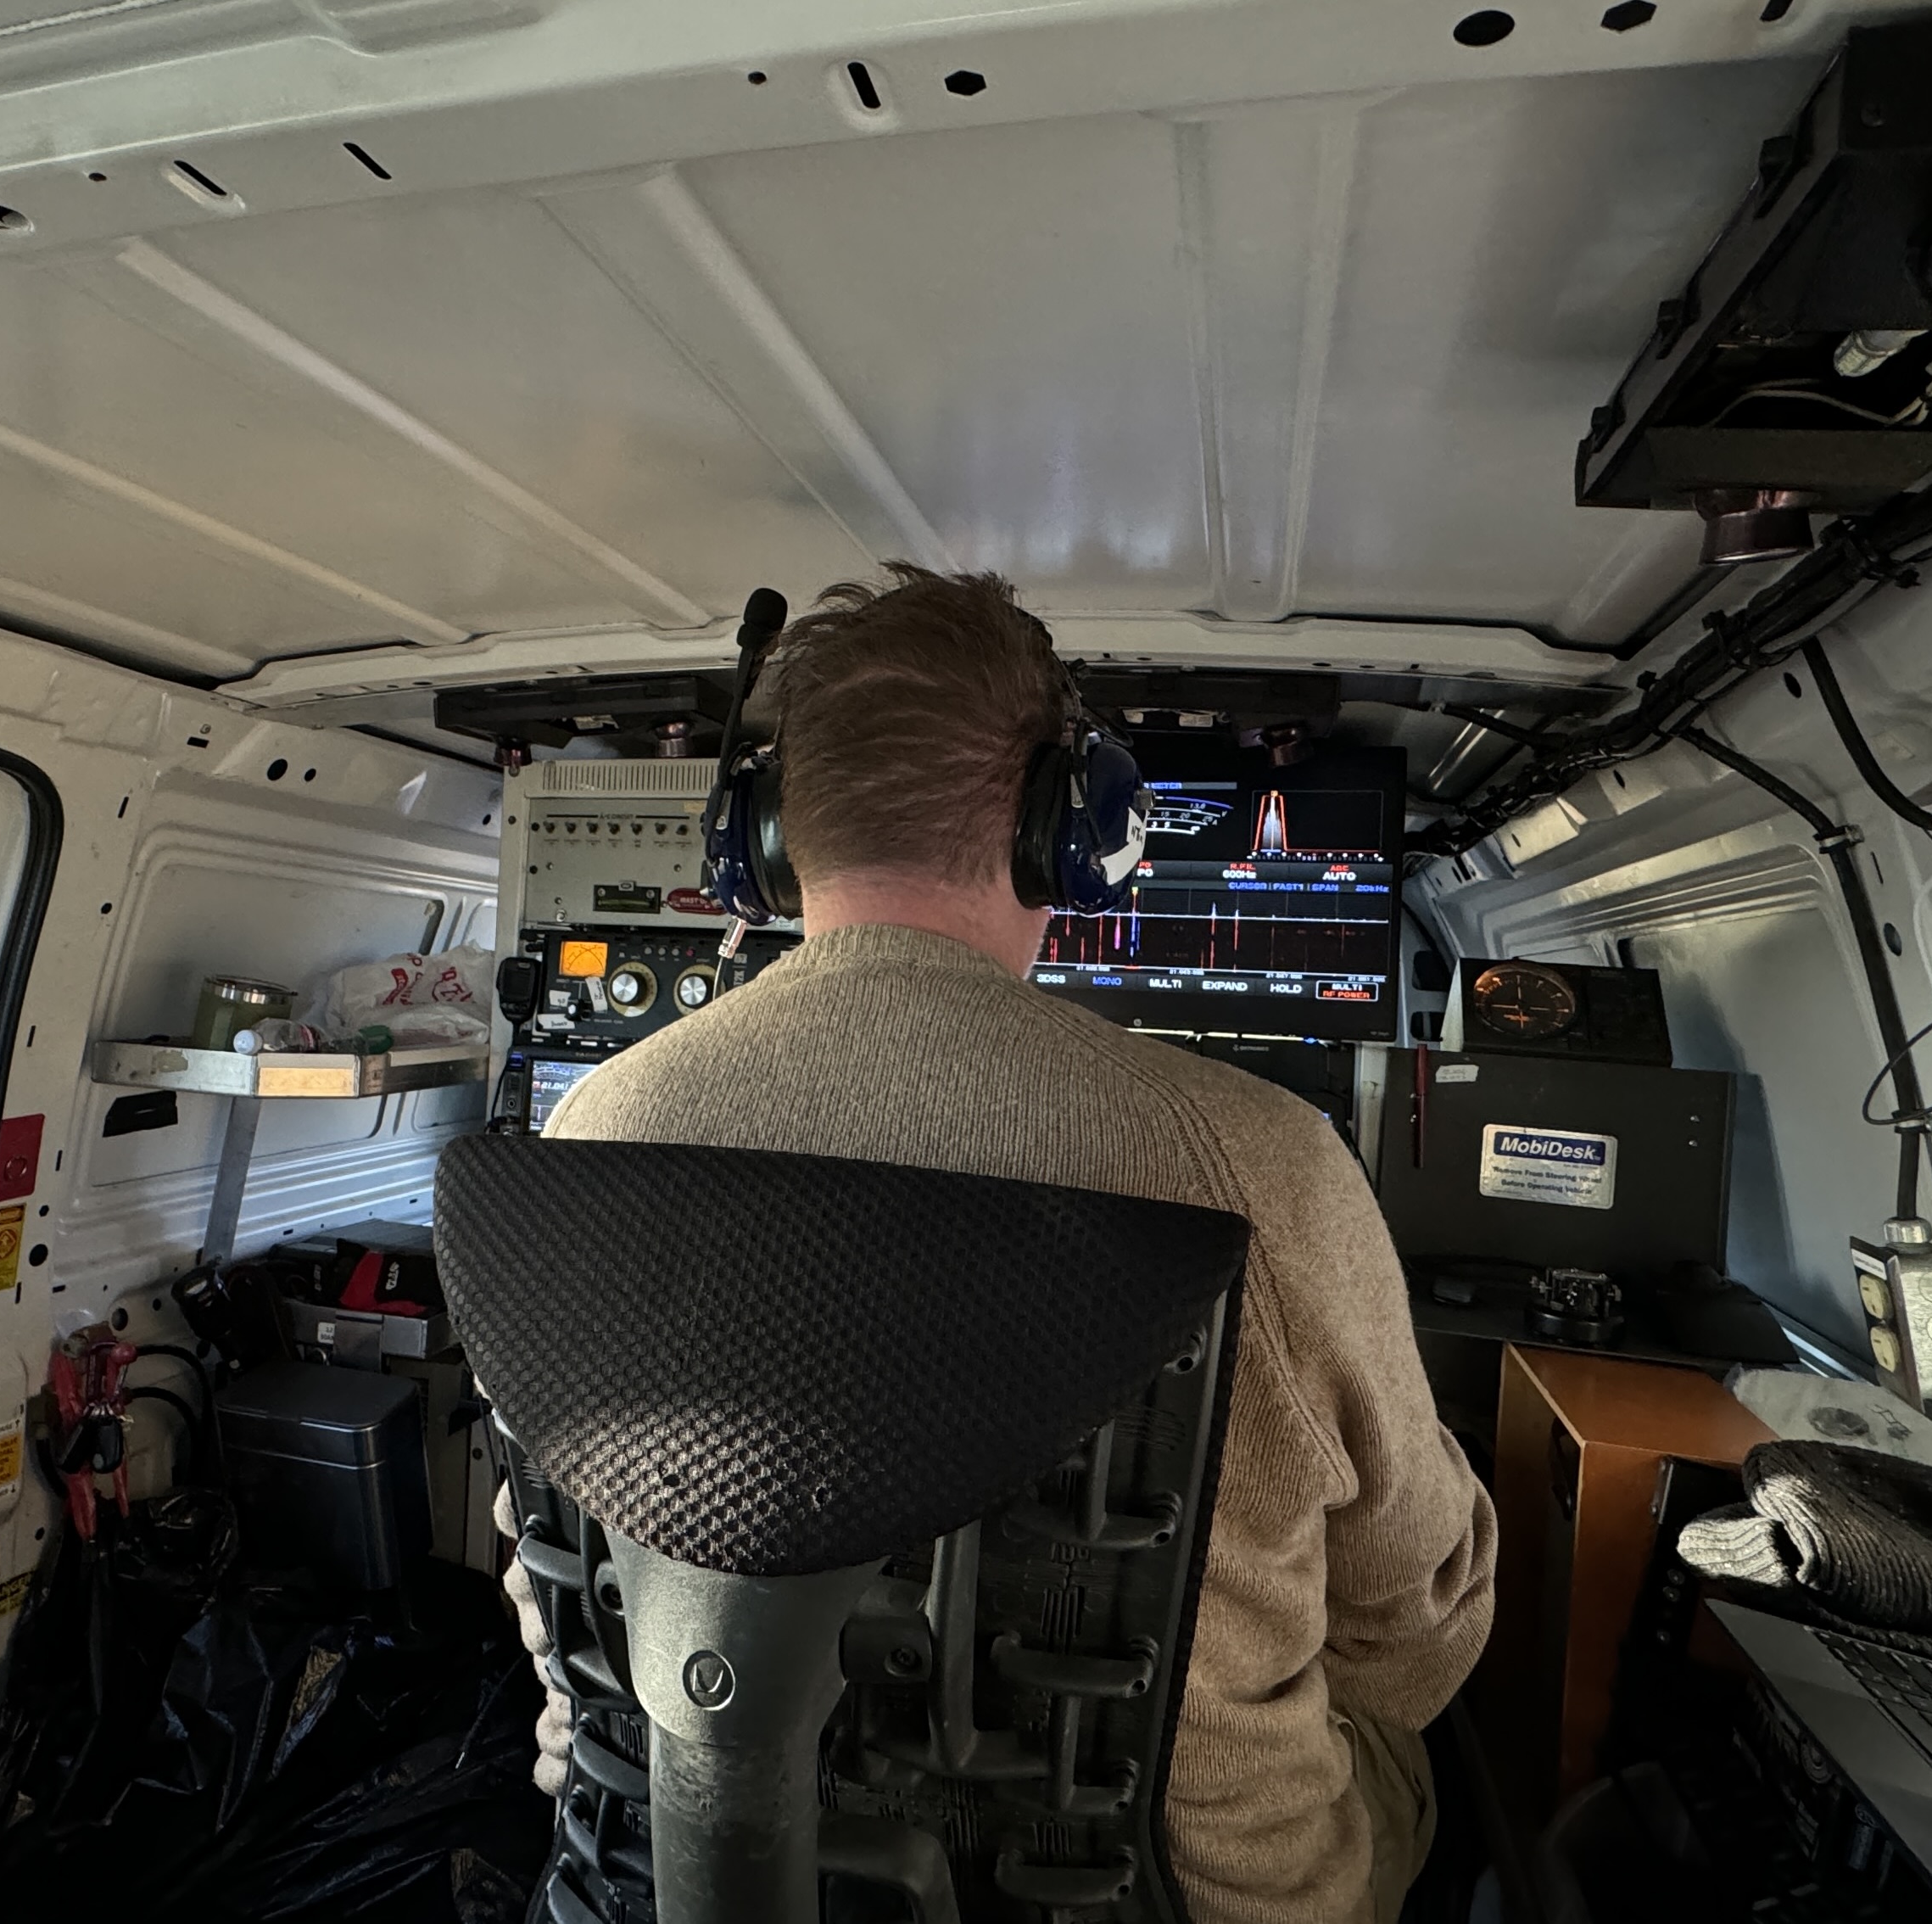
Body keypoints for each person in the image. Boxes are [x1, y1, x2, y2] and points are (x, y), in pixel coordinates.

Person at [505, 565, 1498, 1922]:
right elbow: (1419, 1634)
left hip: (677, 1870)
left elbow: (549, 1577)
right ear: (1073, 830)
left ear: (768, 840)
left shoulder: (591, 1126)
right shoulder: (1262, 1165)